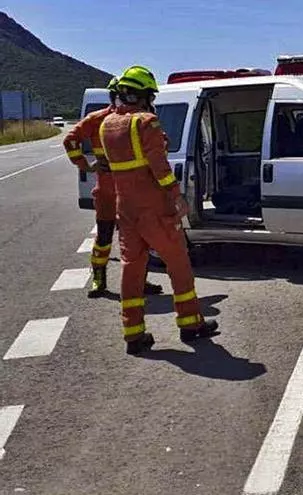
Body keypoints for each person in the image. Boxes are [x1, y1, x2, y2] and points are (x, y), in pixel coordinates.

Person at [99, 65, 219, 355]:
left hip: (126, 209)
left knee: (131, 268)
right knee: (178, 263)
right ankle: (190, 324)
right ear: (142, 96)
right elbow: (160, 168)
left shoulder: (106, 125)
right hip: (154, 207)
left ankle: (133, 334)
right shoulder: (145, 122)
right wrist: (177, 196)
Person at [63, 77, 163, 299]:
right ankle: (99, 279)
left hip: (127, 192)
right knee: (106, 237)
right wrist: (85, 165)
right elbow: (70, 140)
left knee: (139, 239)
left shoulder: (136, 118)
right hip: (112, 193)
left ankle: (139, 280)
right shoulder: (100, 118)